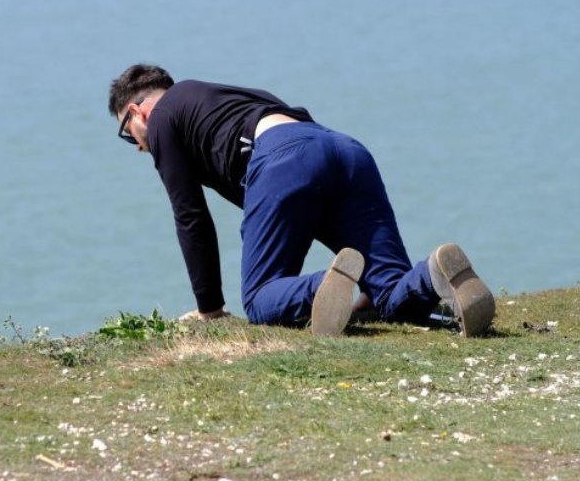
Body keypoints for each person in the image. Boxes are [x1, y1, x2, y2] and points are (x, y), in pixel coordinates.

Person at [107, 65, 496, 337]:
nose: (140, 147)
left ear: (137, 112)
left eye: (130, 134)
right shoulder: (220, 97)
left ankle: (325, 286)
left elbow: (190, 215)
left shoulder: (161, 120)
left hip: (284, 160)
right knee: (390, 296)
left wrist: (209, 308)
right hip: (344, 151)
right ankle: (434, 274)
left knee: (260, 300)